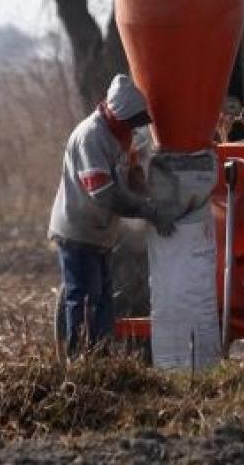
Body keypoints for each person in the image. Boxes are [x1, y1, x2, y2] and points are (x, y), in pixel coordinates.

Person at [49, 73, 177, 355]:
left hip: (102, 233)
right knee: (82, 298)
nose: (134, 127)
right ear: (116, 114)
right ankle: (79, 360)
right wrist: (147, 211)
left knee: (105, 300)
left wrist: (153, 198)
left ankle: (102, 358)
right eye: (130, 122)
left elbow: (130, 175)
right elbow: (103, 193)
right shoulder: (90, 138)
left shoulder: (122, 135)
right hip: (78, 230)